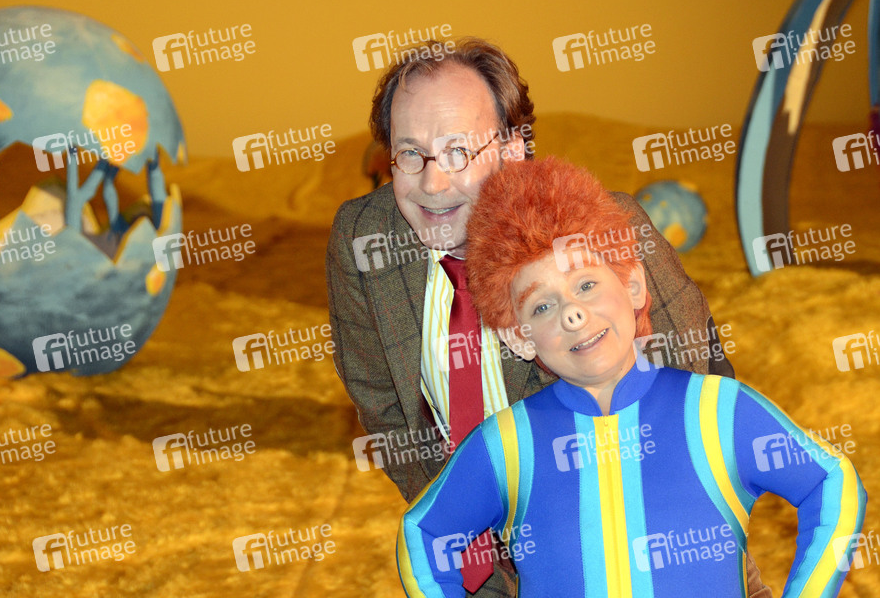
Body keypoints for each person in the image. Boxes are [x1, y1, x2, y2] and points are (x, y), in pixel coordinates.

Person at [326, 37, 761, 596]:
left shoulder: (603, 232)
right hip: (477, 557)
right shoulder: (363, 239)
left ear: (512, 149)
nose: (432, 184)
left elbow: (696, 384)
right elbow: (381, 401)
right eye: (411, 154)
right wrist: (457, 517)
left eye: (458, 152)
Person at [397, 157, 867, 597]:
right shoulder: (508, 443)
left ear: (633, 285)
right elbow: (424, 532)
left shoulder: (718, 410)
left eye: (586, 284)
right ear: (519, 338)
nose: (573, 314)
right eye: (542, 306)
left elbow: (830, 481)